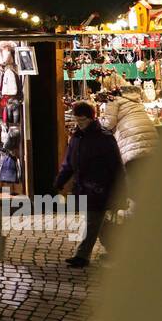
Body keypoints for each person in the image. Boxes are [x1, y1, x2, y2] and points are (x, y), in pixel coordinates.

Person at [53, 101, 125, 268]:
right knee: (99, 224)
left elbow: (116, 165)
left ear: (92, 118)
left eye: (83, 120)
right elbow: (69, 163)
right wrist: (59, 182)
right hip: (83, 188)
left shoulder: (104, 138)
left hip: (99, 188)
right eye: (77, 120)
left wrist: (121, 191)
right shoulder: (76, 138)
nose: (80, 123)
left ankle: (82, 256)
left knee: (93, 222)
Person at [99, 81, 158, 177]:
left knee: (134, 177)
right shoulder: (135, 99)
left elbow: (108, 124)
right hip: (150, 136)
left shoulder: (113, 99)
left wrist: (99, 121)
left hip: (131, 139)